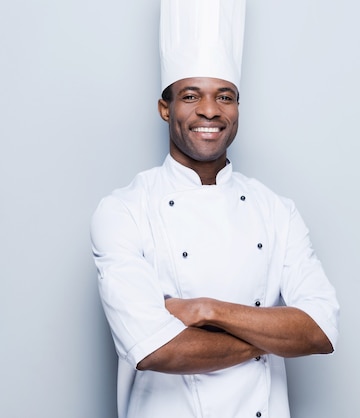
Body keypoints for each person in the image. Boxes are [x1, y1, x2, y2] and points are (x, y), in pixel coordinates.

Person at [90, 1, 339, 417]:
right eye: (191, 96)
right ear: (165, 108)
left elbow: (320, 331)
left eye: (224, 96)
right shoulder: (123, 211)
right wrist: (271, 338)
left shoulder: (277, 211)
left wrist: (207, 310)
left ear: (238, 108)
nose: (210, 110)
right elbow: (157, 350)